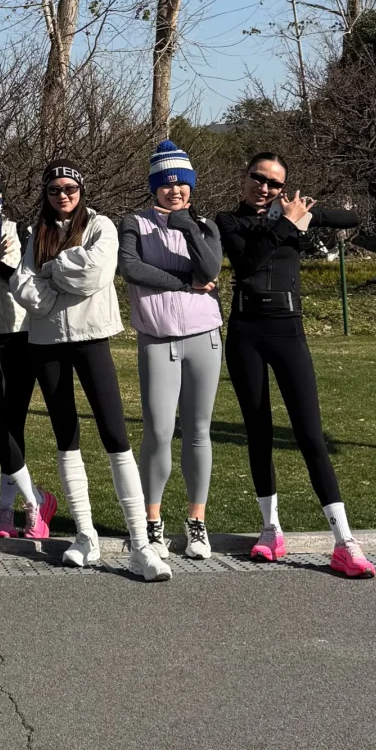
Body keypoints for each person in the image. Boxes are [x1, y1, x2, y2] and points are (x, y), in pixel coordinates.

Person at [10, 160, 172, 582]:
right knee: (66, 438)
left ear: (81, 190)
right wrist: (54, 283)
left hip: (92, 337)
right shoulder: (36, 233)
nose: (62, 195)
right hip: (46, 342)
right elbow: (21, 285)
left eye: (69, 188)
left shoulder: (101, 226)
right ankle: (85, 535)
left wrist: (50, 270)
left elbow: (95, 274)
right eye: (54, 189)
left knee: (115, 434)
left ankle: (140, 545)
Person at [217, 152, 375, 577]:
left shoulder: (292, 213)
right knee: (259, 433)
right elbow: (248, 261)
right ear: (246, 177)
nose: (265, 188)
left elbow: (347, 218)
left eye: (275, 184)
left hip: (288, 332)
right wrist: (286, 223)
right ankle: (271, 529)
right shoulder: (228, 221)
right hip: (246, 334)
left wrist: (307, 213)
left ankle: (344, 541)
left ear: (284, 188)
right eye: (259, 178)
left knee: (310, 435)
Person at [118, 141, 222, 561]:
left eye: (181, 184)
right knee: (159, 432)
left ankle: (197, 521)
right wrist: (183, 282)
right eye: (165, 184)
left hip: (204, 336)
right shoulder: (134, 222)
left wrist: (186, 227)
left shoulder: (205, 225)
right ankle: (152, 520)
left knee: (198, 431)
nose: (174, 190)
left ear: (191, 186)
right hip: (157, 338)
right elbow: (130, 267)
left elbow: (210, 268)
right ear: (154, 187)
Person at [0, 170, 57, 541]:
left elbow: (22, 280)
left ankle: (6, 509)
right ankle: (36, 499)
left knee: (12, 424)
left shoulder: (19, 232)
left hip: (19, 337)